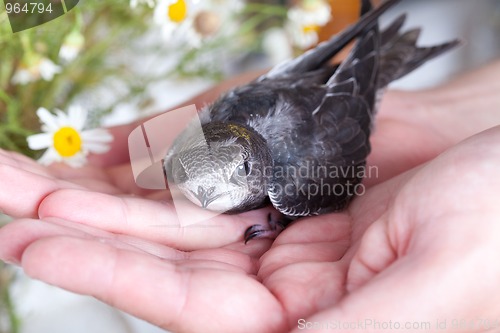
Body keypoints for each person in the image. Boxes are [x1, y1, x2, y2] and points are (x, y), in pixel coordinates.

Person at [1, 60, 500, 333]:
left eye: (223, 180)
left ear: (252, 165)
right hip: (301, 84)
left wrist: (283, 217)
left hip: (337, 99)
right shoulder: (183, 155)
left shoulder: (295, 179)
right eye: (194, 182)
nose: (208, 195)